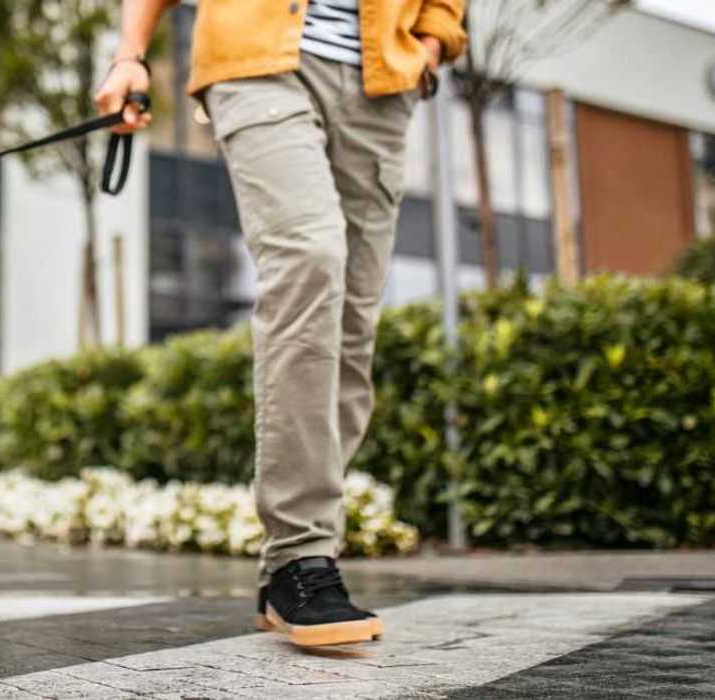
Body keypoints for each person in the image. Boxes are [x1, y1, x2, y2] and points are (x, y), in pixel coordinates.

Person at [95, 0, 466, 647]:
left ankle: (291, 568)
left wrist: (431, 41)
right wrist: (130, 55)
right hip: (257, 55)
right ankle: (301, 553)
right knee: (308, 261)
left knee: (350, 316)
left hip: (381, 81)